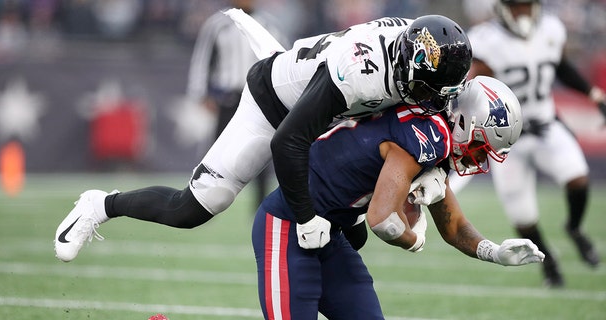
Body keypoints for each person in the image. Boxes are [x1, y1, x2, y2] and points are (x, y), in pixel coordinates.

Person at [55, 14, 473, 262]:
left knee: (353, 234)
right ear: (406, 63)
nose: (431, 101)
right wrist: (306, 218)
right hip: (275, 105)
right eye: (426, 89)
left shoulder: (415, 51)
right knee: (196, 207)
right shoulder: (363, 72)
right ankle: (101, 205)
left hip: (329, 113)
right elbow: (287, 142)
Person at [252, 76, 543, 319]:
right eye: (482, 146)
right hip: (289, 228)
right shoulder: (427, 137)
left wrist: (494, 252)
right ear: (466, 122)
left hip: (330, 235)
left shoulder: (435, 137)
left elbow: (453, 225)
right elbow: (382, 220)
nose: (479, 158)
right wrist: (414, 239)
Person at [450, 0, 604, 288]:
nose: (523, 13)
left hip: (546, 125)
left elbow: (561, 66)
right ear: (503, 9)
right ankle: (550, 265)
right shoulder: (486, 40)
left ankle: (574, 228)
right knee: (523, 218)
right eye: (517, 7)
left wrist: (593, 95)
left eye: (527, 6)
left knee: (578, 178)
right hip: (507, 140)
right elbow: (476, 87)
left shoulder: (551, 29)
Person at [186, 0, 286, 210]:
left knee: (261, 150)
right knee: (217, 151)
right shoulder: (218, 24)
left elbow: (282, 59)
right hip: (228, 98)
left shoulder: (269, 24)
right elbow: (202, 59)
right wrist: (201, 93)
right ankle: (199, 200)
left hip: (260, 98)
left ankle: (259, 204)